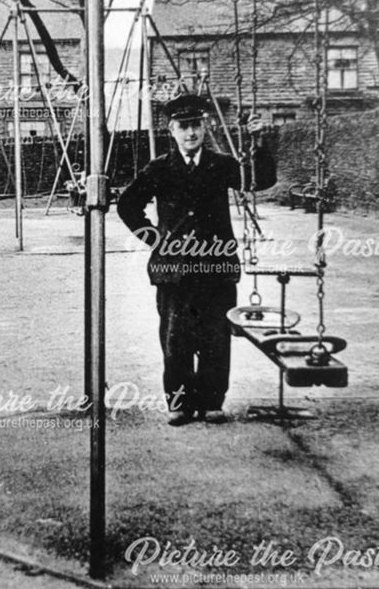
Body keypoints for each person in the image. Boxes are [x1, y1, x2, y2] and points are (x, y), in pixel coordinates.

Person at [117, 94, 276, 426]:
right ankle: (178, 403)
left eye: (196, 126)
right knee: (176, 339)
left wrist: (258, 142)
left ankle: (211, 401)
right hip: (174, 273)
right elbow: (127, 205)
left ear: (206, 126)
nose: (190, 133)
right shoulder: (159, 168)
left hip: (216, 270)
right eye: (183, 127)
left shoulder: (221, 165)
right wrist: (156, 242)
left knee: (215, 337)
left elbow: (259, 180)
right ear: (172, 130)